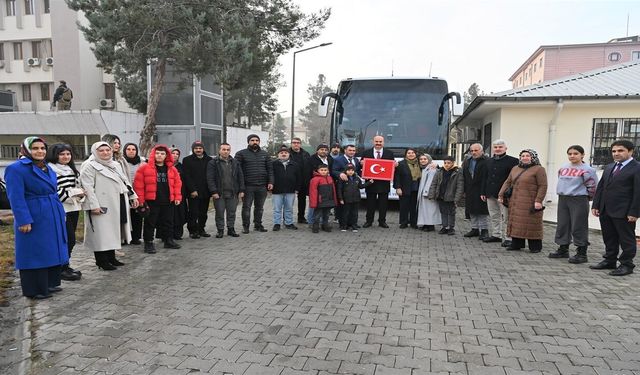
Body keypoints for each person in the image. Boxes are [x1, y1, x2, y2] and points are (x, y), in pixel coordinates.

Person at [5, 137, 68, 299]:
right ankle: (34, 289)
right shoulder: (16, 169)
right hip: (34, 213)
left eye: (42, 148)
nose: (40, 151)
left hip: (52, 212)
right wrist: (23, 219)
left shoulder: (47, 167)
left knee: (51, 248)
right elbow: (15, 197)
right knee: (34, 251)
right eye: (35, 148)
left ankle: (49, 283)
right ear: (26, 150)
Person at [80, 141, 139, 270]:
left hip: (117, 201)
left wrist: (132, 195)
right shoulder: (89, 166)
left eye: (108, 150)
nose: (105, 153)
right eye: (101, 151)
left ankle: (111, 257)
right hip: (101, 204)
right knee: (101, 233)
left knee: (113, 230)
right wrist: (93, 205)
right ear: (95, 152)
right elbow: (87, 188)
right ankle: (101, 261)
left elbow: (124, 181)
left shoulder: (115, 165)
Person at [590, 140, 640, 276]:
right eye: (614, 151)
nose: (616, 153)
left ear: (630, 151)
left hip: (624, 211)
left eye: (620, 150)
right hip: (606, 209)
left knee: (626, 239)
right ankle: (610, 260)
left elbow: (638, 192)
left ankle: (626, 264)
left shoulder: (637, 168)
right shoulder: (610, 166)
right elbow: (601, 187)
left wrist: (634, 212)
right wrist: (596, 205)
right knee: (609, 237)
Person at [548, 145, 598, 263]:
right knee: (563, 224)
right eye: (570, 154)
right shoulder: (563, 168)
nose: (572, 156)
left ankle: (581, 252)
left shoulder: (588, 169)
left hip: (579, 198)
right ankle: (563, 248)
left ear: (582, 155)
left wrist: (587, 198)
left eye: (575, 153)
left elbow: (593, 186)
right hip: (564, 198)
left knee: (578, 225)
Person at [134, 145, 182, 253]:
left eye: (162, 154)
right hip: (152, 201)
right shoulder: (144, 168)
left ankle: (168, 241)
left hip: (168, 201)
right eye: (157, 153)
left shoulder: (172, 169)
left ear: (166, 156)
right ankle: (149, 243)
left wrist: (177, 197)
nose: (159, 155)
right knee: (150, 223)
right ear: (153, 154)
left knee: (168, 222)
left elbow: (177, 184)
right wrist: (141, 201)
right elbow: (138, 185)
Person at [498, 149, 547, 253]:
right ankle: (517, 244)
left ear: (533, 157)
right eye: (522, 156)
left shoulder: (539, 169)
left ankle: (535, 246)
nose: (524, 158)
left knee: (532, 223)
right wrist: (501, 194)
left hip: (530, 201)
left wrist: (538, 201)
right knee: (516, 222)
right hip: (515, 201)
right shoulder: (515, 168)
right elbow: (508, 182)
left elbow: (543, 186)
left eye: (527, 156)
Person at [47, 144, 84, 281]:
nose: (65, 157)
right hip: (61, 209)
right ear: (54, 155)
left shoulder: (71, 169)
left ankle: (65, 265)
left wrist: (79, 194)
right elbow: (57, 191)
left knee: (70, 239)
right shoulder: (50, 170)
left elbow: (79, 188)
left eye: (68, 154)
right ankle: (60, 268)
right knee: (68, 239)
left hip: (74, 208)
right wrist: (76, 193)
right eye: (62, 154)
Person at [480, 140, 519, 246]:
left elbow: (514, 179)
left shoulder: (513, 161)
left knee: (506, 217)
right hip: (490, 193)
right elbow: (485, 177)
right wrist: (483, 192)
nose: (498, 149)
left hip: (505, 194)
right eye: (496, 147)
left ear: (505, 148)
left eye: (500, 147)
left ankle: (508, 237)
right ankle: (496, 235)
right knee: (494, 215)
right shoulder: (488, 161)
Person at [235, 134, 273, 233]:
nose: (255, 142)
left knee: (259, 207)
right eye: (252, 140)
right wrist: (240, 186)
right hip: (248, 186)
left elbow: (270, 169)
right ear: (248, 142)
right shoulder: (241, 154)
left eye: (257, 140)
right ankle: (246, 226)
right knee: (246, 207)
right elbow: (237, 171)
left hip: (262, 186)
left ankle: (258, 224)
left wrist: (271, 182)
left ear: (259, 142)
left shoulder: (265, 154)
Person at [207, 143, 245, 238]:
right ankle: (220, 230)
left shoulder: (235, 162)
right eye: (223, 149)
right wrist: (214, 191)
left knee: (231, 213)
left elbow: (240, 177)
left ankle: (231, 229)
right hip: (219, 193)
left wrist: (241, 190)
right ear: (219, 150)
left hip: (233, 193)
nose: (226, 151)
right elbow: (210, 178)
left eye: (228, 150)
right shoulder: (213, 163)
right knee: (219, 213)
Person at [361, 135, 395, 228]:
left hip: (384, 184)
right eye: (376, 141)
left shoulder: (389, 153)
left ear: (383, 142)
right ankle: (369, 221)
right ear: (373, 142)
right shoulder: (366, 153)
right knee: (370, 204)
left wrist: (395, 165)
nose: (378, 143)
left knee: (383, 205)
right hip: (370, 183)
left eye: (380, 142)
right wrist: (362, 164)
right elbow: (361, 167)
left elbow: (392, 167)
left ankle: (382, 221)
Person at [182, 141, 213, 238]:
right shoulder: (187, 160)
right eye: (196, 148)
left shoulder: (209, 160)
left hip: (206, 191)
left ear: (203, 149)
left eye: (200, 148)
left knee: (203, 213)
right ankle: (192, 231)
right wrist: (192, 190)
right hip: (193, 192)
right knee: (193, 212)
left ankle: (201, 229)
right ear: (193, 149)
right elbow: (187, 176)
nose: (198, 150)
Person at [428, 156, 464, 235]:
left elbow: (460, 186)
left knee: (451, 212)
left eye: (449, 163)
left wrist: (457, 198)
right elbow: (434, 183)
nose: (447, 165)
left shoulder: (458, 172)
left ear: (453, 163)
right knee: (443, 212)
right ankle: (444, 226)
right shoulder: (439, 171)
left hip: (451, 197)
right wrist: (432, 194)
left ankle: (451, 228)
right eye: (445, 163)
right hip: (441, 195)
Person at [462, 143, 490, 240]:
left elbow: (487, 178)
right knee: (471, 209)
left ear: (482, 151)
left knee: (482, 211)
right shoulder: (467, 161)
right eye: (472, 151)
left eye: (476, 150)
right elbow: (464, 175)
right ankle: (474, 229)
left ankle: (484, 230)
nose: (473, 152)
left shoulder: (487, 161)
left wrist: (485, 191)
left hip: (481, 189)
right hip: (470, 188)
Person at [271, 145, 302, 231]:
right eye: (281, 153)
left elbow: (299, 177)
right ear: (278, 155)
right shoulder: (273, 164)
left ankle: (288, 223)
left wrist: (297, 188)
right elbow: (270, 176)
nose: (283, 154)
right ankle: (277, 224)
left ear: (289, 154)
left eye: (285, 153)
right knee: (277, 208)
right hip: (277, 190)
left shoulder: (294, 164)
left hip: (291, 190)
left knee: (289, 208)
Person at [332, 144, 361, 229]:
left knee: (352, 208)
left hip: (353, 188)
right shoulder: (338, 159)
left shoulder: (356, 160)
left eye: (353, 150)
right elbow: (333, 170)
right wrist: (340, 174)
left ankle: (352, 223)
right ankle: (343, 224)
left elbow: (357, 171)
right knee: (344, 208)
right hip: (343, 187)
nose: (352, 152)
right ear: (345, 150)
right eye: (350, 150)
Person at [337, 164, 370, 232]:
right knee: (345, 213)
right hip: (346, 199)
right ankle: (344, 226)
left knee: (354, 213)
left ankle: (354, 226)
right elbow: (339, 189)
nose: (350, 172)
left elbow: (361, 186)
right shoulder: (342, 179)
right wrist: (341, 198)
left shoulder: (357, 178)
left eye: (352, 170)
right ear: (345, 171)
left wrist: (369, 182)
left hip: (356, 199)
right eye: (348, 170)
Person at [306, 144, 333, 226]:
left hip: (326, 185)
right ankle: (311, 222)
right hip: (315, 185)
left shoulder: (330, 159)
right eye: (321, 149)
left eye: (325, 150)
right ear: (317, 151)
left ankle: (321, 222)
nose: (323, 151)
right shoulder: (311, 159)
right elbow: (307, 173)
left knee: (323, 205)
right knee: (313, 204)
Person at [123, 143, 145, 245]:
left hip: (138, 190)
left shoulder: (142, 162)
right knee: (126, 215)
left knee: (137, 215)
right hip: (125, 191)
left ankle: (136, 237)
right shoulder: (121, 162)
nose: (131, 151)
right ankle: (126, 237)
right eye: (128, 149)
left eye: (133, 149)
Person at [394, 148, 421, 229]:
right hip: (404, 187)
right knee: (404, 206)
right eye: (409, 153)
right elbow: (397, 177)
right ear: (406, 154)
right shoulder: (401, 164)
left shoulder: (420, 163)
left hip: (417, 188)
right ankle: (403, 222)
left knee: (414, 206)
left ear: (415, 154)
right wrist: (398, 188)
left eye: (413, 153)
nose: (411, 154)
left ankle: (414, 223)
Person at [308, 164, 337, 233]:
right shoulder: (314, 179)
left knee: (326, 215)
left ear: (328, 171)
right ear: (318, 171)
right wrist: (314, 203)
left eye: (325, 170)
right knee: (317, 215)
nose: (323, 172)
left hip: (329, 200)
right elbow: (313, 192)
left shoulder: (330, 178)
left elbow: (333, 190)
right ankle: (315, 226)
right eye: (322, 170)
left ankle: (325, 225)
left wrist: (334, 199)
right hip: (319, 201)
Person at [416, 154, 441, 231]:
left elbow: (430, 182)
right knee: (424, 210)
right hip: (423, 193)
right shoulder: (424, 168)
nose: (423, 160)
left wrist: (426, 192)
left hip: (428, 193)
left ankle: (430, 225)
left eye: (425, 159)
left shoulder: (432, 169)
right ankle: (426, 224)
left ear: (429, 160)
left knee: (430, 210)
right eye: (421, 159)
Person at [289, 137, 311, 224]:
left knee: (302, 201)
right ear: (291, 144)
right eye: (294, 142)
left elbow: (309, 167)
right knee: (289, 201)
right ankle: (287, 219)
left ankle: (301, 217)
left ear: (300, 144)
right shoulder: (287, 153)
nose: (296, 144)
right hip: (291, 181)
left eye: (298, 142)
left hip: (303, 181)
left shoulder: (306, 154)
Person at [171, 148, 188, 240]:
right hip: (167, 195)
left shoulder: (181, 167)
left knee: (179, 214)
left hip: (180, 194)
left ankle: (177, 233)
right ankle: (166, 234)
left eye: (177, 154)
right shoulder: (165, 166)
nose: (175, 155)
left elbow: (186, 180)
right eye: (173, 153)